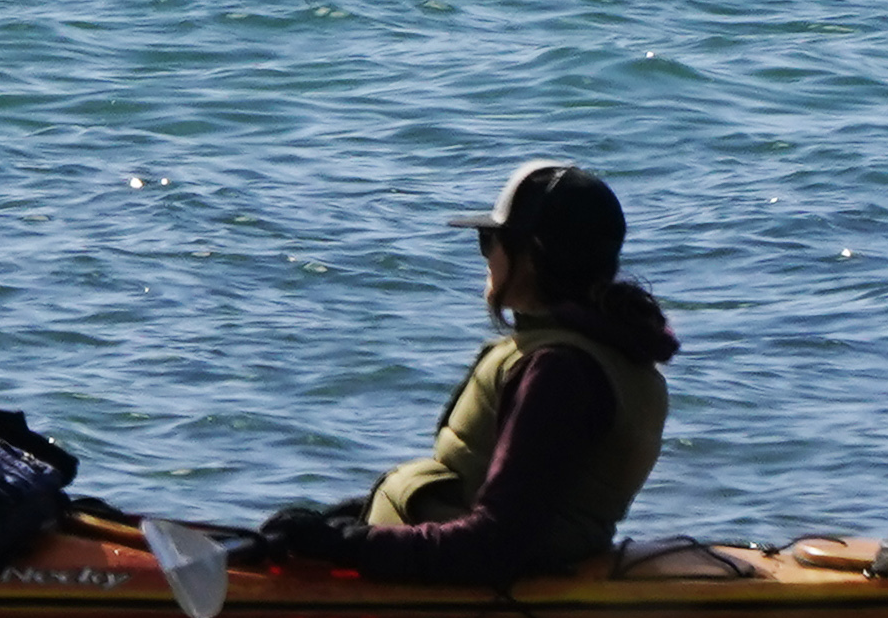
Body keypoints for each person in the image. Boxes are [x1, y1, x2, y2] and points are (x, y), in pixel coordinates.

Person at [252, 160, 677, 584]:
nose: (486, 256)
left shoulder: (558, 373)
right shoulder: (595, 354)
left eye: (489, 239)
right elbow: (476, 496)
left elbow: (492, 545)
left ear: (531, 255)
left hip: (472, 588)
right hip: (447, 558)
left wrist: (344, 546)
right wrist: (339, 523)